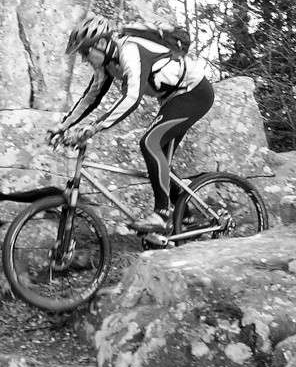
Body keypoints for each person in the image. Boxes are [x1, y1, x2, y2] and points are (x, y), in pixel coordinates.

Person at [48, 14, 214, 233]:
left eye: (85, 52)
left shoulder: (129, 50)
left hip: (194, 94)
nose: (84, 59)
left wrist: (95, 126)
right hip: (172, 99)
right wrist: (64, 126)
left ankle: (161, 214)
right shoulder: (106, 65)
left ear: (100, 44)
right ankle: (188, 218)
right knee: (161, 162)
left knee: (149, 142)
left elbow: (131, 98)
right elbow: (91, 97)